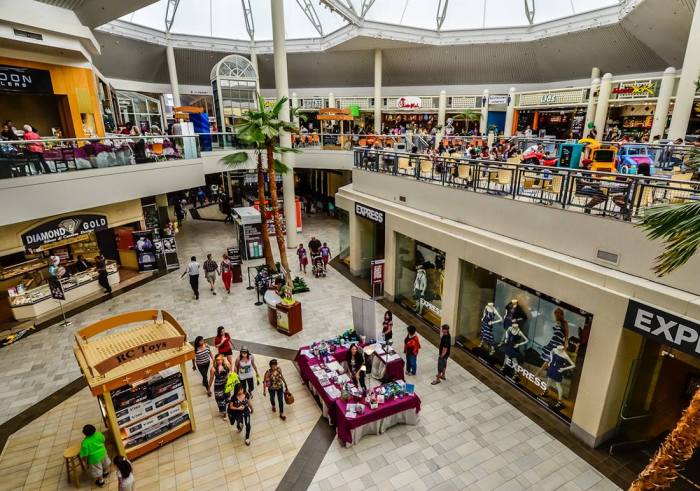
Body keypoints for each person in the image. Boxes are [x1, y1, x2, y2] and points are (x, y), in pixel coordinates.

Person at [208, 354, 231, 419]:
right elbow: (211, 379)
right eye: (218, 360)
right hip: (218, 386)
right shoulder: (213, 369)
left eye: (220, 359)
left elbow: (230, 372)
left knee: (227, 399)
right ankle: (224, 413)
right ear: (215, 360)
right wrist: (209, 388)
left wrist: (229, 377)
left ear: (222, 359)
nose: (219, 361)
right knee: (220, 400)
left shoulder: (226, 365)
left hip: (226, 385)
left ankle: (227, 411)